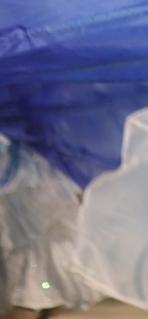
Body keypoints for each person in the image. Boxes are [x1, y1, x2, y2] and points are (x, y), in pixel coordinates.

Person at [0, 135, 102, 319]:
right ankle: (44, 297)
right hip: (38, 173)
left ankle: (34, 299)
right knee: (38, 244)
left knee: (32, 243)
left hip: (31, 176)